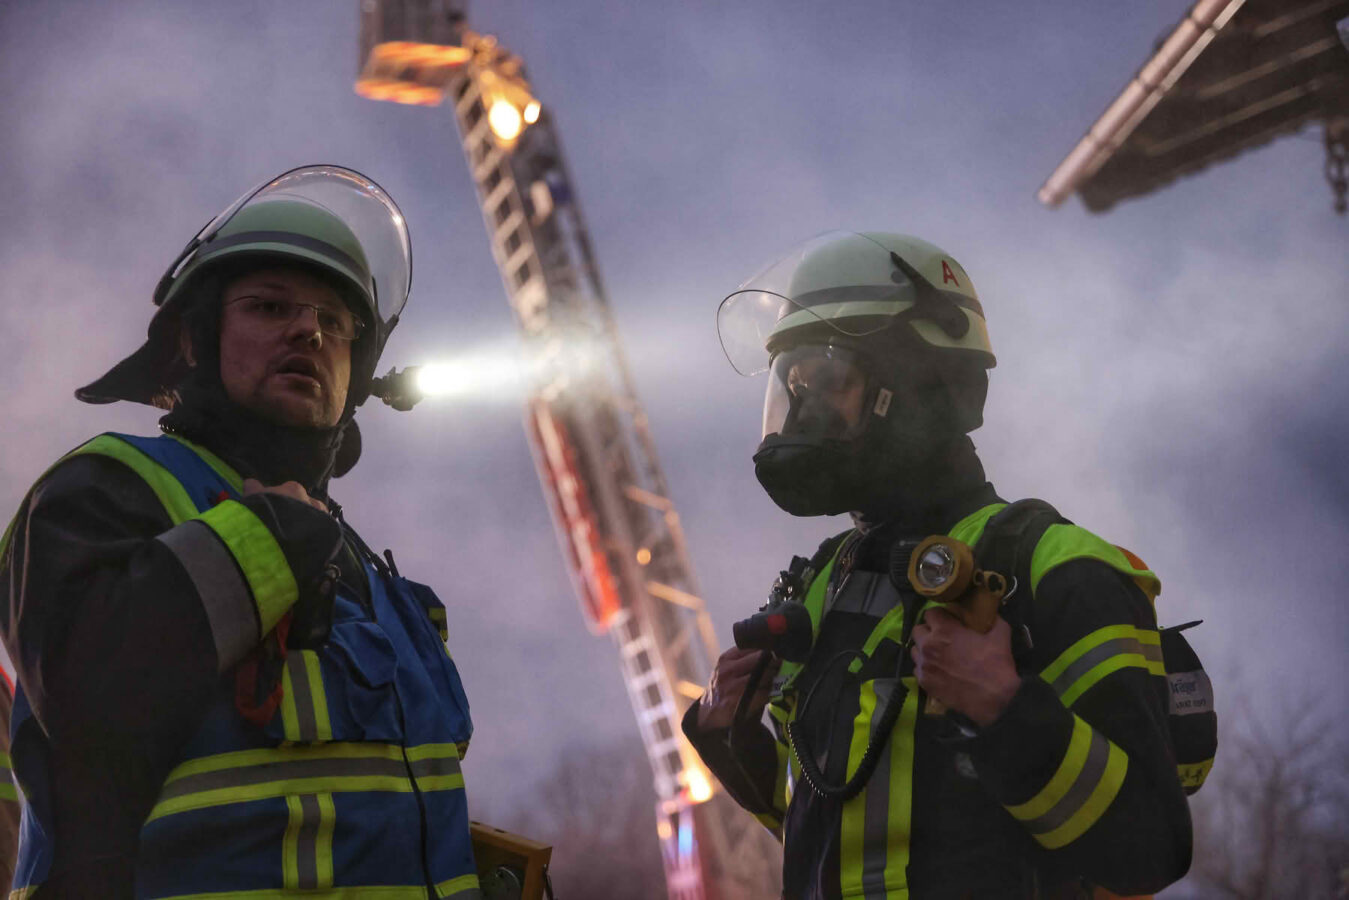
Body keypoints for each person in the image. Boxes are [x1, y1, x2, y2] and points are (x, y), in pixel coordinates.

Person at [0, 166, 480, 898]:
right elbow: (87, 701)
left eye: (335, 321)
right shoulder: (107, 487)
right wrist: (260, 546)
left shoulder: (372, 577)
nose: (308, 330)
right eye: (268, 306)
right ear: (195, 340)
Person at [684, 232, 1192, 899]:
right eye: (794, 384)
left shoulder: (1055, 569)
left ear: (921, 384)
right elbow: (828, 815)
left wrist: (1004, 709)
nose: (804, 410)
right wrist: (731, 737)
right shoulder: (823, 583)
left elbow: (1148, 849)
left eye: (830, 379)